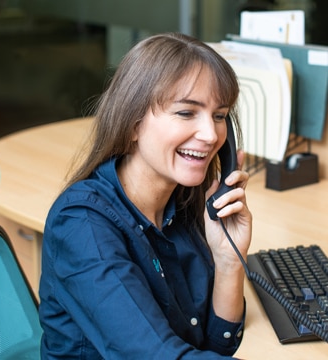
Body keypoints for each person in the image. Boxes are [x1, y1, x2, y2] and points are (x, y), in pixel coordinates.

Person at [39, 32, 252, 359]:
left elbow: (216, 345)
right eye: (186, 112)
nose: (211, 135)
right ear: (134, 123)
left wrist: (228, 261)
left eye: (220, 116)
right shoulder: (82, 226)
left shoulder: (183, 203)